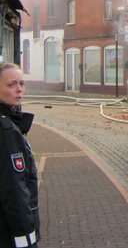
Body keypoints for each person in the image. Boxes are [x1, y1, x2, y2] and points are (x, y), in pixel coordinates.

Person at [0, 62, 40, 248]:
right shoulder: (6, 131)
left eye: (21, 83)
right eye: (11, 85)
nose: (19, 89)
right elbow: (15, 189)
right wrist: (26, 238)